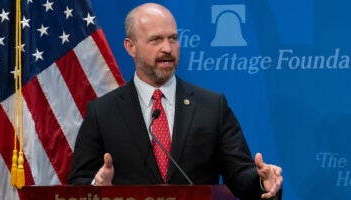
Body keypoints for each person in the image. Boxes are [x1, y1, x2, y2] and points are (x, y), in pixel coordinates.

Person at [68, 3, 283, 200]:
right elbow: (77, 184)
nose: (168, 49)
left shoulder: (212, 106)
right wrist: (96, 187)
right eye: (156, 40)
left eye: (173, 38)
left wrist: (263, 183)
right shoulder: (102, 112)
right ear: (130, 46)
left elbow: (240, 175)